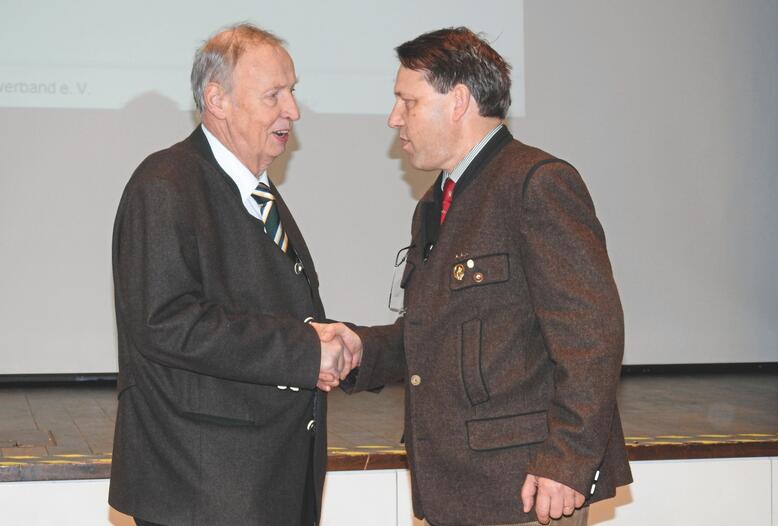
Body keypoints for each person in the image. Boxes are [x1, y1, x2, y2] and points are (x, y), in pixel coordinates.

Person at [316, 27, 632, 526]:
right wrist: (357, 350)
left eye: (408, 102)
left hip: (527, 491)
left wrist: (568, 462)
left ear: (458, 100)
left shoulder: (537, 183)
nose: (394, 118)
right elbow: (438, 331)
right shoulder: (436, 204)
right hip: (459, 487)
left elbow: (591, 336)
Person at [109, 24, 356, 526]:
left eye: (292, 91)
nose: (293, 110)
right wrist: (307, 349)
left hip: (265, 483)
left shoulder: (256, 191)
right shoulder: (164, 185)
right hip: (204, 492)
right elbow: (166, 323)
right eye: (274, 95)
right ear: (216, 100)